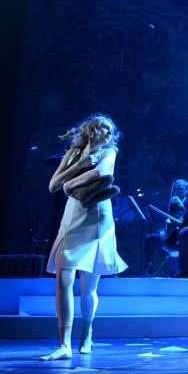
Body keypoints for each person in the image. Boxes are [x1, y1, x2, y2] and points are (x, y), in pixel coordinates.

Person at [41, 113, 128, 360]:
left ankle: (87, 332)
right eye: (103, 128)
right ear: (91, 130)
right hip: (73, 215)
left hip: (97, 217)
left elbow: (102, 173)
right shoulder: (73, 153)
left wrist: (70, 184)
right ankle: (64, 345)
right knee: (63, 280)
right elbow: (53, 185)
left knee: (88, 287)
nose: (108, 132)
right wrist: (78, 165)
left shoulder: (109, 151)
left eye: (111, 129)